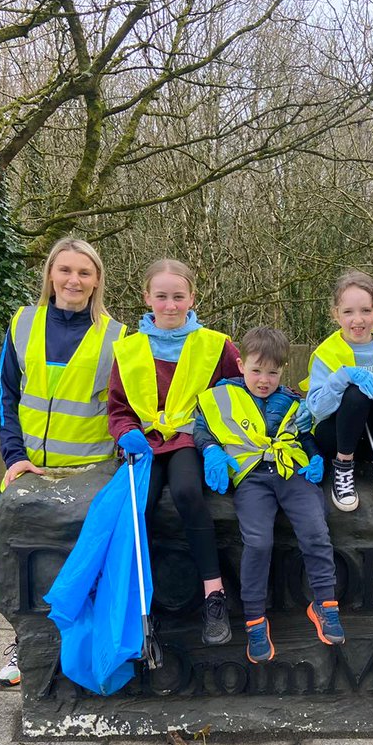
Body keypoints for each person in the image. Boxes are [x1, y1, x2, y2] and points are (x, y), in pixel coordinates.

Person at [0, 237, 126, 686]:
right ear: (50, 274)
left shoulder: (117, 335)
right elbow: (5, 396)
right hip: (28, 468)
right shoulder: (23, 322)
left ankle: (79, 648)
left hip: (91, 471)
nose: (74, 280)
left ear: (97, 281)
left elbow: (125, 405)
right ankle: (23, 641)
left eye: (84, 273)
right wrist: (13, 456)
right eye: (65, 270)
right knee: (18, 563)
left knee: (80, 564)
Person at [107, 259, 240, 647]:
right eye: (161, 296)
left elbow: (239, 393)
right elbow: (118, 407)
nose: (170, 305)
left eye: (178, 297)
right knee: (139, 504)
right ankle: (139, 603)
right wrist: (126, 431)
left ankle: (213, 594)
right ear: (147, 297)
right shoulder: (130, 349)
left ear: (192, 298)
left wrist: (221, 443)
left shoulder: (216, 345)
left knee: (186, 492)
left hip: (190, 440)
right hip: (144, 442)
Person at [194, 326, 343, 664]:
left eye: (273, 372)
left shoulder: (291, 400)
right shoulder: (220, 396)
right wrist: (211, 451)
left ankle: (325, 603)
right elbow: (202, 429)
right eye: (256, 370)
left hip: (291, 472)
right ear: (241, 364)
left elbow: (304, 435)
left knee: (316, 531)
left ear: (282, 371)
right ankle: (255, 622)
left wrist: (316, 455)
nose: (264, 379)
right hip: (251, 479)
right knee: (258, 543)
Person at [302, 270, 373, 513]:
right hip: (337, 436)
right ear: (336, 314)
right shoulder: (326, 353)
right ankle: (343, 468)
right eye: (348, 312)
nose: (357, 320)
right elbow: (317, 408)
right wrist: (341, 378)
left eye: (365, 311)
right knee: (356, 392)